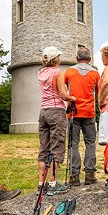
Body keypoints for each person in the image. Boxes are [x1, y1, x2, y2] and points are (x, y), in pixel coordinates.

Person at [37, 46, 76, 195]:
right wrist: (72, 98)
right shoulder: (57, 72)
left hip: (44, 111)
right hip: (56, 111)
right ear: (56, 59)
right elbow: (62, 94)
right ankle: (52, 184)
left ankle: (41, 184)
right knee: (56, 147)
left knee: (44, 148)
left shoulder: (40, 73)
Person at [64, 46, 100, 186]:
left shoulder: (69, 72)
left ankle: (74, 176)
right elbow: (99, 92)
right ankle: (90, 175)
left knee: (73, 144)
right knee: (90, 143)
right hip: (89, 113)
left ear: (76, 58)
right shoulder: (95, 73)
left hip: (73, 112)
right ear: (90, 59)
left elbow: (63, 90)